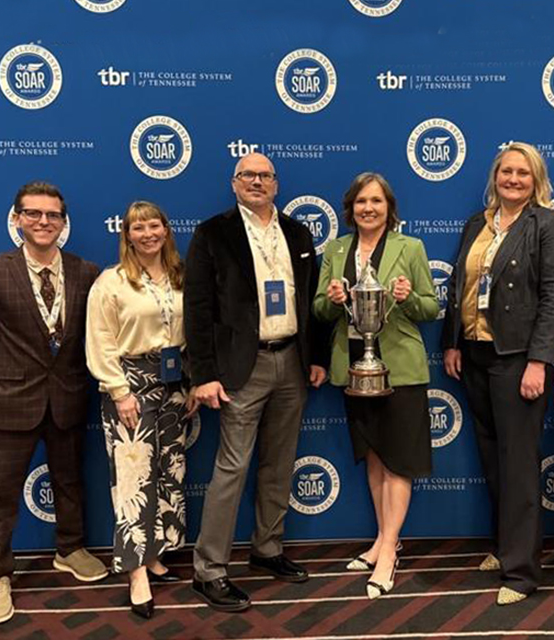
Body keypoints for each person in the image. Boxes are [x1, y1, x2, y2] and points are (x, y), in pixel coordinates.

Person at [184, 153, 328, 612]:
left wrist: (318, 357)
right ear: (234, 183)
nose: (257, 182)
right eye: (248, 175)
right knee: (232, 468)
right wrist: (203, 374)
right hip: (239, 368)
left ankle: (267, 549)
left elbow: (311, 301)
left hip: (292, 360)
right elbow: (198, 309)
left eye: (265, 175)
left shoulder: (297, 232)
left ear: (277, 183)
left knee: (280, 463)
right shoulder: (212, 233)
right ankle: (209, 570)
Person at [0, 181, 108, 626]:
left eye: (52, 215)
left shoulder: (87, 272)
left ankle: (70, 548)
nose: (43, 222)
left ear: (63, 222)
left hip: (67, 397)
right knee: (2, 493)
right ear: (17, 219)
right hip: (10, 400)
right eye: (34, 214)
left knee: (69, 481)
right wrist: (16, 370)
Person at [441, 143, 554, 605]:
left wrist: (540, 361)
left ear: (536, 180)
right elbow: (460, 286)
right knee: (493, 456)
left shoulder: (547, 224)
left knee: (518, 464)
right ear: (494, 175)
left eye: (523, 173)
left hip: (518, 358)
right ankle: (505, 545)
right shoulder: (477, 223)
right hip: (475, 354)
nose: (513, 179)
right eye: (506, 171)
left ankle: (521, 571)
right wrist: (452, 342)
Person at [313, 173, 438, 599]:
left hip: (400, 368)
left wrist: (407, 297)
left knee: (399, 458)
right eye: (362, 202)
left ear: (389, 207)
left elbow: (431, 307)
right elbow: (317, 310)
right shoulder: (336, 249)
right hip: (354, 367)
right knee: (374, 455)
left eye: (377, 201)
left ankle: (387, 551)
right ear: (350, 208)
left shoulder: (411, 247)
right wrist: (329, 299)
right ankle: (385, 538)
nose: (369, 208)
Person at [86, 201, 196, 619]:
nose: (147, 233)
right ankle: (135, 573)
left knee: (169, 471)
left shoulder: (181, 276)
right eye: (138, 227)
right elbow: (100, 340)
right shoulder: (111, 282)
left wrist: (188, 383)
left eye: (154, 225)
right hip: (130, 386)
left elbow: (192, 333)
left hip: (173, 384)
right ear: (126, 235)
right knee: (133, 481)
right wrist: (118, 391)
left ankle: (154, 554)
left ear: (166, 230)